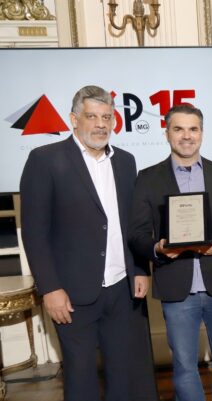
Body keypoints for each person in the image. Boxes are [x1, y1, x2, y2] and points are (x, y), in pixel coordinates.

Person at [20, 85, 158, 401]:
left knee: (123, 375)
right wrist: (50, 288)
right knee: (80, 379)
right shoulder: (45, 160)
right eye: (92, 116)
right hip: (71, 295)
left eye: (106, 117)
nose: (100, 124)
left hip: (122, 290)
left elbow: (132, 226)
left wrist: (139, 268)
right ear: (73, 119)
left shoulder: (126, 161)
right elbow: (34, 233)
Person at [129, 104, 212, 401]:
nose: (186, 136)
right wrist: (156, 248)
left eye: (193, 129)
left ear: (202, 134)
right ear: (167, 133)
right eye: (178, 129)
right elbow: (137, 234)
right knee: (183, 366)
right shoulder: (148, 178)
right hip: (176, 287)